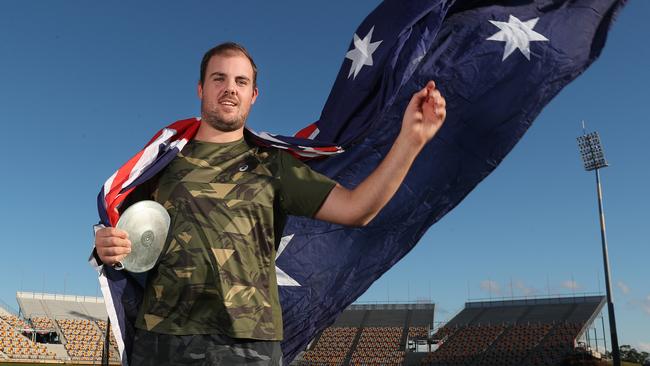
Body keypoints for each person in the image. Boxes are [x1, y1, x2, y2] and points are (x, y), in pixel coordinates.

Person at [94, 42, 446, 365]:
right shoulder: (160, 162)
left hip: (249, 346)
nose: (230, 88)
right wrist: (106, 245)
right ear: (201, 89)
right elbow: (121, 234)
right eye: (219, 78)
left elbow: (358, 208)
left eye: (241, 81)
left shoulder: (273, 164)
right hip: (163, 341)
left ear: (253, 95)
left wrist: (411, 140)